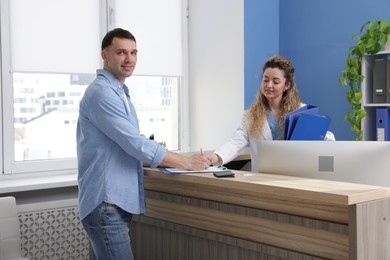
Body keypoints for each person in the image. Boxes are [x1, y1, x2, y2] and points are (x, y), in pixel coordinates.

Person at [76, 28, 211, 260]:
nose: (129, 59)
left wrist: (154, 161)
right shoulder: (102, 93)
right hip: (106, 203)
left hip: (111, 204)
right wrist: (186, 162)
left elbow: (123, 144)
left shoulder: (119, 91)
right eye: (121, 52)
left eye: (134, 52)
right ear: (105, 56)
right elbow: (134, 143)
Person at [206, 55, 335, 170]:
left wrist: (322, 139)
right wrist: (215, 157)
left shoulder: (302, 112)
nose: (269, 85)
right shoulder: (250, 115)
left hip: (295, 176)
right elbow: (235, 142)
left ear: (287, 85)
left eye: (276, 81)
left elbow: (326, 138)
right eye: (265, 80)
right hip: (262, 178)